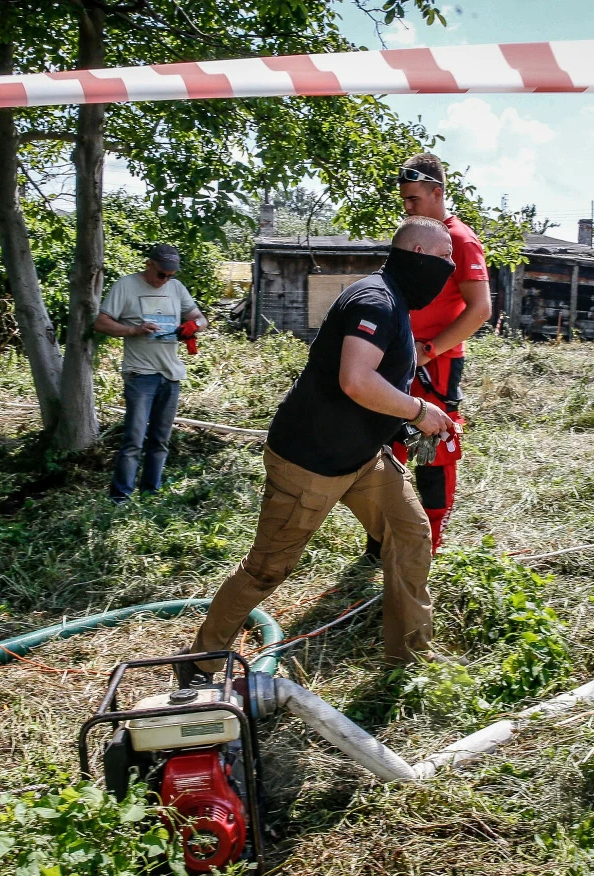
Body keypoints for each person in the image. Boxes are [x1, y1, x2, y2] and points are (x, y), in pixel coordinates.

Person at [184, 217, 457, 679]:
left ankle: (409, 659)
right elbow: (356, 379)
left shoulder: (396, 302)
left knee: (410, 536)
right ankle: (201, 663)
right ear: (416, 254)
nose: (450, 266)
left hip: (365, 460)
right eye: (444, 257)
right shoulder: (376, 300)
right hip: (309, 463)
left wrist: (406, 422)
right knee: (267, 570)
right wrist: (417, 411)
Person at [379, 151, 492, 553]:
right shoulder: (415, 236)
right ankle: (382, 539)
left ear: (437, 192)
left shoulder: (460, 239)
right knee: (389, 443)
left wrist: (429, 350)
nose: (407, 208)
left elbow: (480, 309)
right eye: (404, 200)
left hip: (435, 364)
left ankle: (429, 543)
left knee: (434, 451)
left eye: (414, 200)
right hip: (399, 359)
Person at [94, 244, 207, 502]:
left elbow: (201, 319)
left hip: (170, 374)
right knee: (134, 440)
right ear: (149, 265)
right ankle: (120, 497)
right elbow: (101, 322)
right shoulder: (126, 286)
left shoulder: (177, 289)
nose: (165, 280)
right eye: (161, 274)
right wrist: (134, 330)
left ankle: (150, 494)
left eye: (171, 275)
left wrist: (192, 326)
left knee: (160, 440)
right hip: (140, 374)